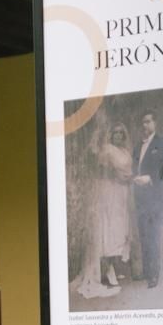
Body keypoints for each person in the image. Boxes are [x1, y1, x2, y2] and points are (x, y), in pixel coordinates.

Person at [70, 118, 133, 300]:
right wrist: (126, 178)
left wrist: (128, 179)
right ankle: (109, 270)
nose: (119, 136)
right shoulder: (107, 150)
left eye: (122, 133)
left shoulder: (125, 152)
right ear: (111, 135)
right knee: (109, 232)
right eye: (116, 133)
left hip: (123, 194)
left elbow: (127, 172)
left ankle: (112, 267)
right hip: (109, 193)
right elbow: (108, 172)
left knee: (121, 231)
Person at [132, 110, 163, 288]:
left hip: (155, 197)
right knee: (143, 234)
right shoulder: (138, 145)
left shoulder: (162, 144)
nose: (145, 125)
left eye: (148, 121)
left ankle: (154, 274)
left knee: (153, 235)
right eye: (143, 122)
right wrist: (135, 177)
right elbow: (135, 167)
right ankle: (147, 271)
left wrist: (151, 179)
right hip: (140, 197)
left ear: (155, 123)